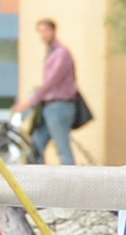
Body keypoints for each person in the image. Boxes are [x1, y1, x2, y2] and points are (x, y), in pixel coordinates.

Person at [21, 17, 84, 164]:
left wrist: (30, 101)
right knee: (36, 146)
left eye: (46, 31)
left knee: (62, 148)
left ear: (53, 31)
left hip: (60, 106)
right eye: (40, 32)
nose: (43, 35)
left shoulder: (61, 53)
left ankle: (70, 182)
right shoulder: (51, 52)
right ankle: (37, 179)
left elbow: (51, 81)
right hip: (48, 106)